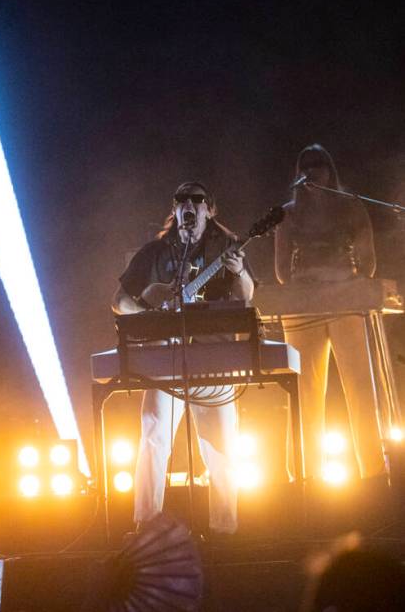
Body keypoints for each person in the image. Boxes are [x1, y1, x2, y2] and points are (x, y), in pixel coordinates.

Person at [112, 181, 254, 535]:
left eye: (197, 199)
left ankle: (225, 530)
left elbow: (246, 297)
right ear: (174, 210)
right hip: (166, 355)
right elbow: (120, 300)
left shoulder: (227, 246)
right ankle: (145, 526)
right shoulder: (155, 253)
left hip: (213, 355)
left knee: (220, 442)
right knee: (153, 433)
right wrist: (148, 312)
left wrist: (237, 272)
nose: (189, 205)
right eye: (181, 200)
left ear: (210, 208)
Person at [273, 144, 384, 481]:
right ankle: (305, 476)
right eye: (306, 166)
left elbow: (369, 262)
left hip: (344, 299)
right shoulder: (287, 213)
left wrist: (351, 283)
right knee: (305, 389)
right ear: (298, 173)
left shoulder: (351, 207)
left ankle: (375, 474)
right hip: (305, 303)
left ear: (330, 171)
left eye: (319, 165)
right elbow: (280, 270)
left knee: (360, 385)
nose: (313, 172)